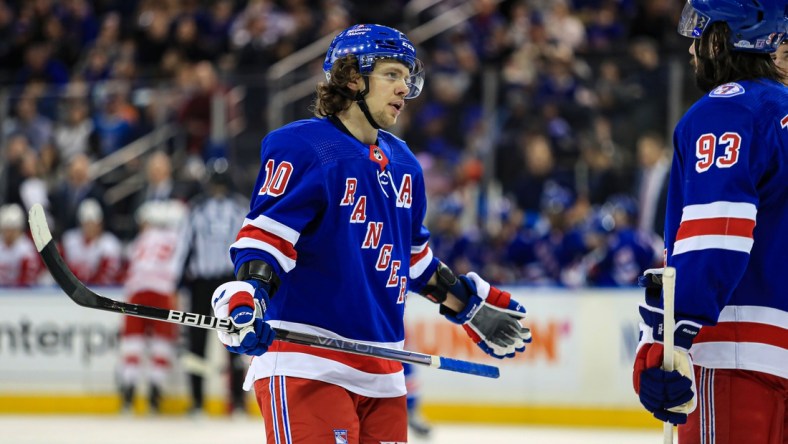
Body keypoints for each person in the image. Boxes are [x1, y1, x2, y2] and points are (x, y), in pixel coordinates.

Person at [209, 24, 532, 443]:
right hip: (308, 361)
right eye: (392, 74)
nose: (404, 87)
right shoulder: (304, 147)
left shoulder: (405, 164)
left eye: (407, 77)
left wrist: (467, 303)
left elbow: (413, 262)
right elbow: (268, 237)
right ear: (352, 78)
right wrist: (250, 293)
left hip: (383, 370)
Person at [631, 2, 788, 443]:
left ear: (721, 38)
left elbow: (717, 234)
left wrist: (670, 336)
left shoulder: (728, 112)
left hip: (738, 359)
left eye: (698, 32)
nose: (691, 49)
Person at [180, 159, 249, 417]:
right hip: (201, 283)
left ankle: (238, 402)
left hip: (230, 281)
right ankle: (197, 401)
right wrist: (179, 282)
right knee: (196, 342)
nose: (218, 189)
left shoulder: (241, 208)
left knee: (237, 338)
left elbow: (249, 244)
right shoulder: (196, 210)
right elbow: (183, 246)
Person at [118, 199, 187, 414]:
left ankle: (128, 393)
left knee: (133, 341)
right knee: (161, 342)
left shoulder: (142, 238)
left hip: (136, 289)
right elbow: (177, 267)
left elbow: (130, 261)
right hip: (162, 290)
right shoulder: (176, 237)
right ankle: (155, 393)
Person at [61, 198, 123, 286]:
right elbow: (61, 269)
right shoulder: (69, 240)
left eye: (93, 224)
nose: (90, 228)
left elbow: (107, 278)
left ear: (100, 224)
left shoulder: (110, 244)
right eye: (86, 224)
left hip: (100, 292)